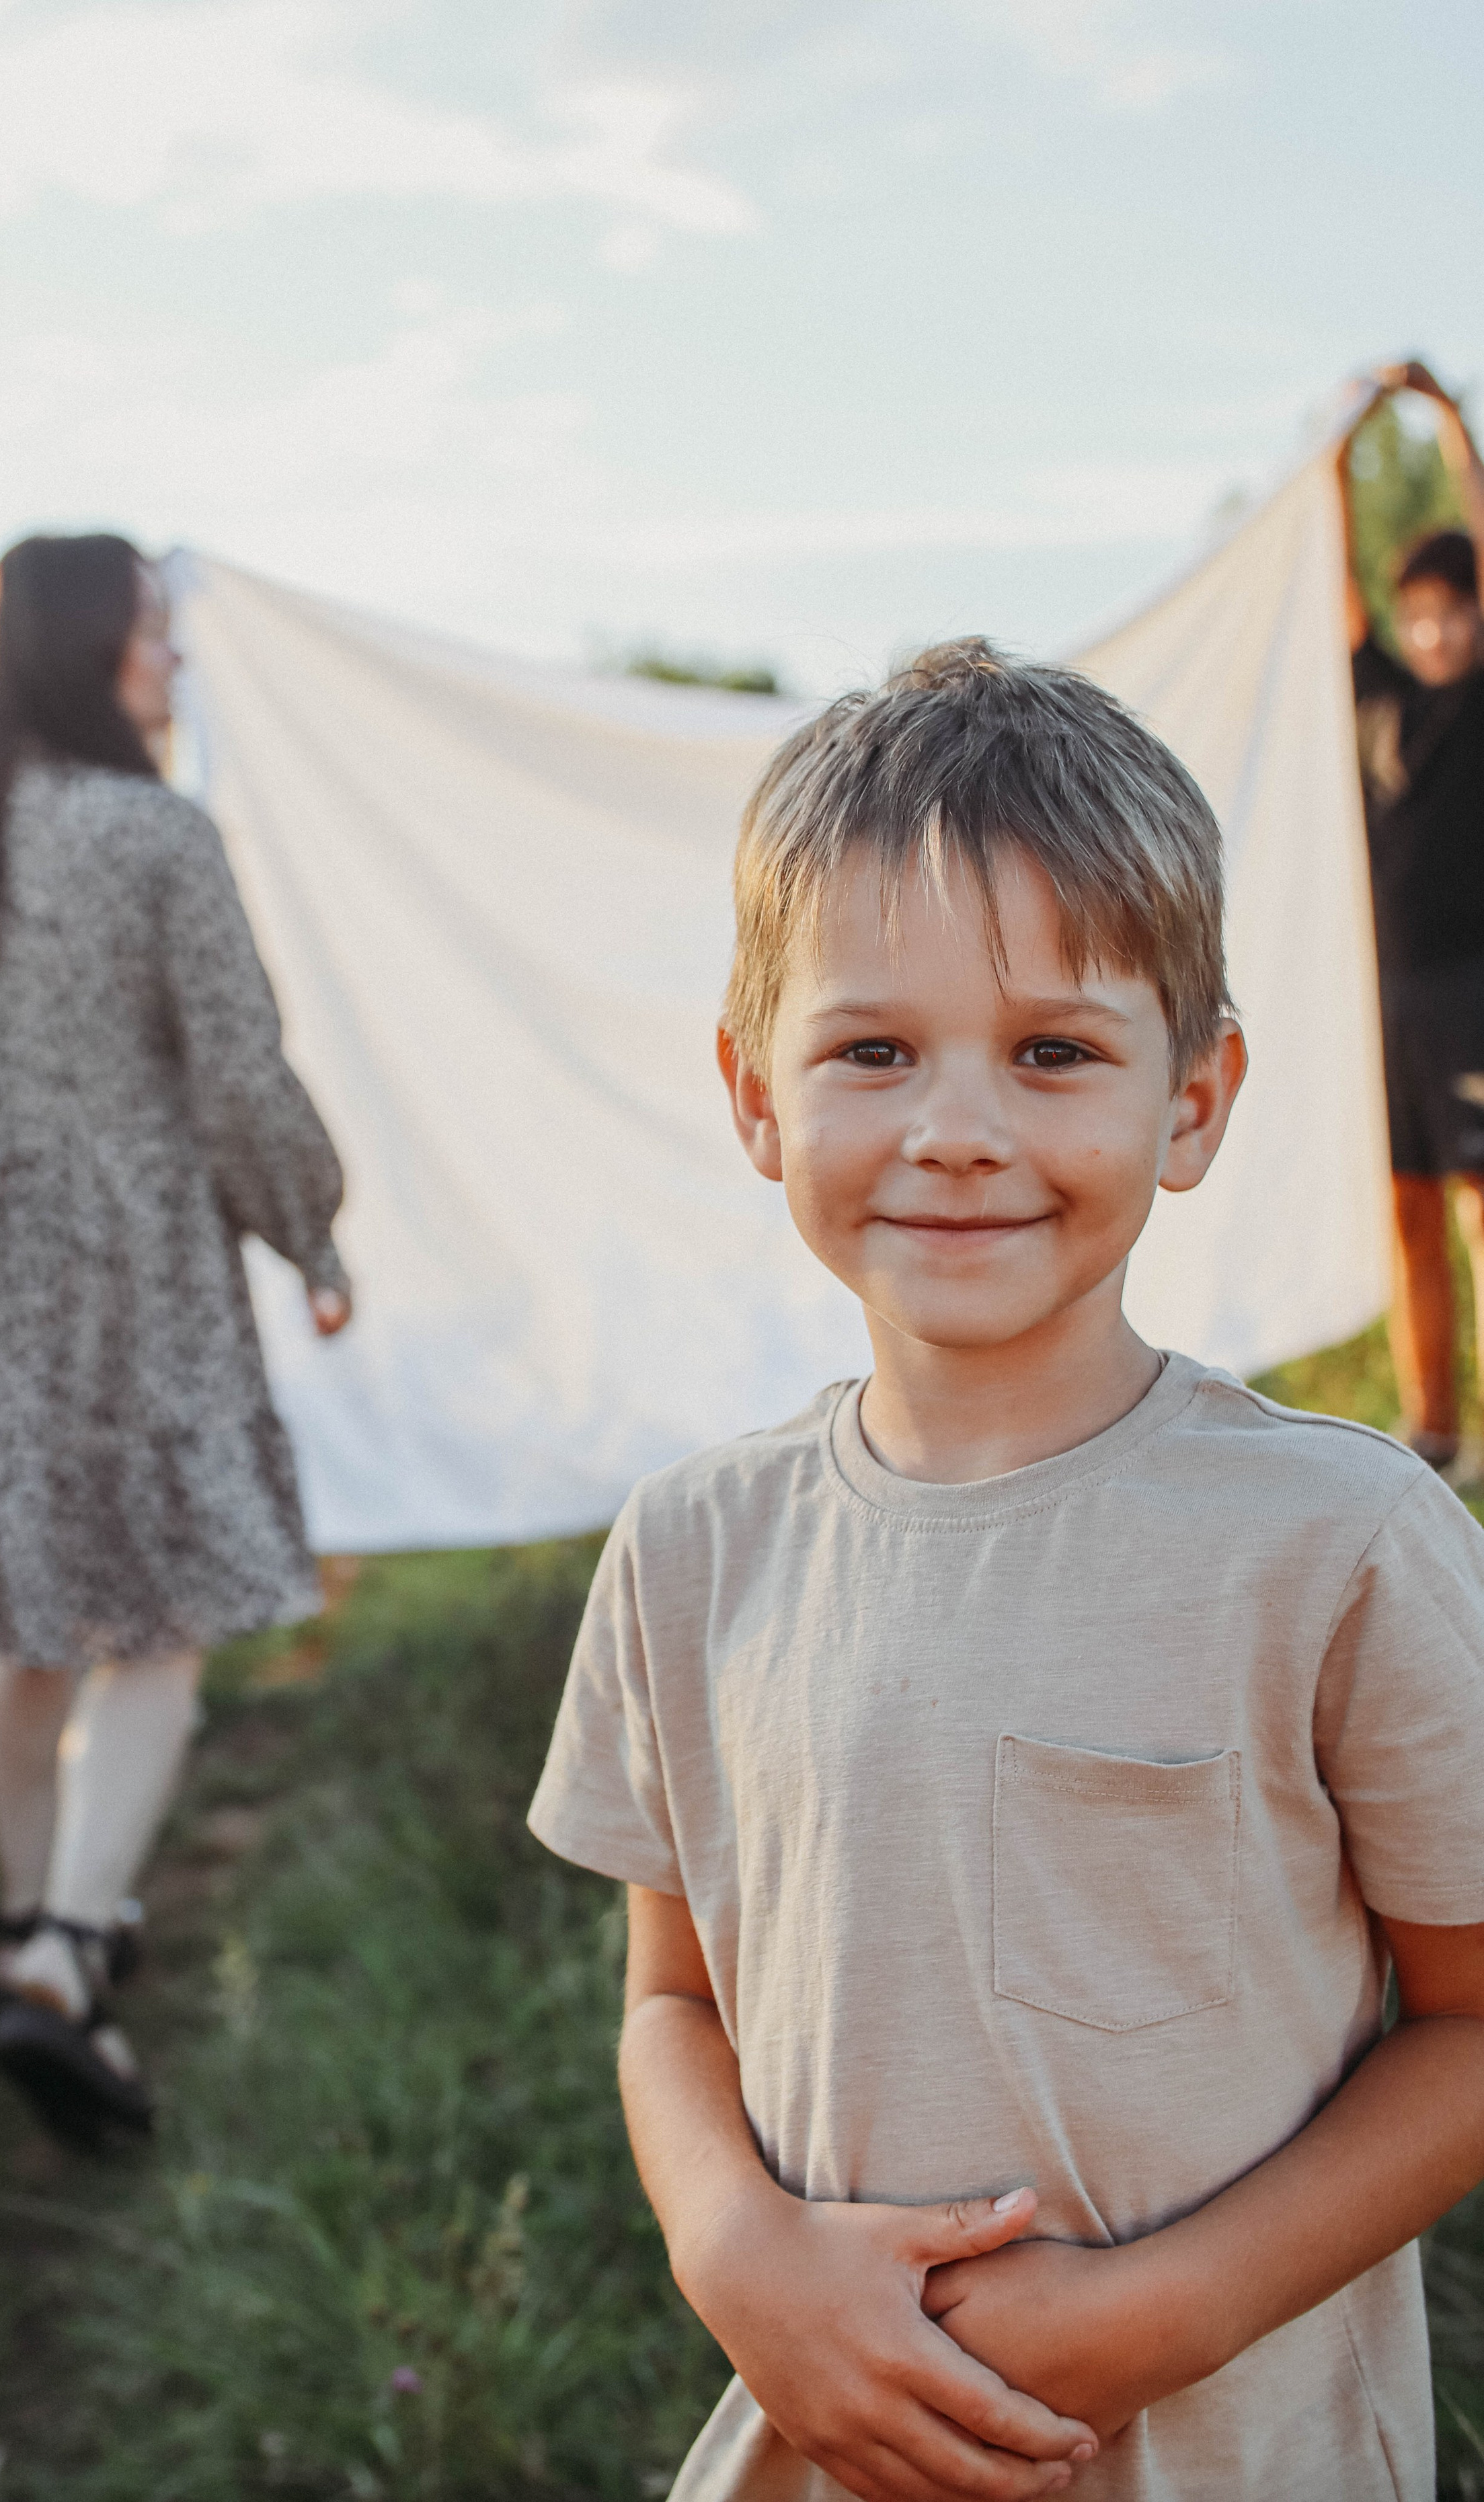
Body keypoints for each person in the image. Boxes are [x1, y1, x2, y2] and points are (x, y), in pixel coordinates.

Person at [528, 641, 1484, 2499]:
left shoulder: (1340, 1546)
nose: (956, 1130)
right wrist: (733, 2251)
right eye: (871, 1051)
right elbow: (670, 2001)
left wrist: (1174, 2306)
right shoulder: (690, 1551)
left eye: (1052, 1052)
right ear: (752, 1094)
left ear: (1191, 1099)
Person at [0, 533, 352, 2144]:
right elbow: (237, 1071)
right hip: (127, 1265)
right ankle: (66, 1946)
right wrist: (309, 1229)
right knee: (164, 1606)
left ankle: (30, 1925)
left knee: (24, 1608)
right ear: (86, 648)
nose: (172, 659)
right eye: (153, 632)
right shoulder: (155, 832)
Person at [1342, 359, 1484, 1471]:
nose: (1433, 635)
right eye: (1418, 617)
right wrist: (1340, 448)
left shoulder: (1475, 697)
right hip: (1383, 993)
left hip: (1469, 987)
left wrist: (1443, 416)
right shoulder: (1376, 687)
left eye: (1452, 615)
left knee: (1480, 1205)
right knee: (1407, 1208)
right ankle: (1430, 1426)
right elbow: (1335, 576)